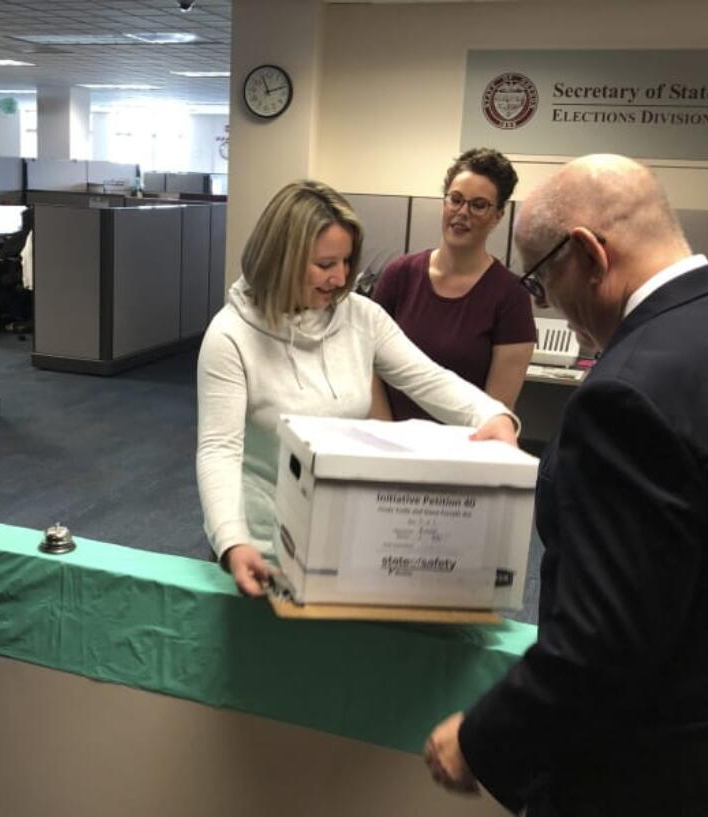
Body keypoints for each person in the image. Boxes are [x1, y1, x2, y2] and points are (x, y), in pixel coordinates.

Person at [423, 155, 708, 815]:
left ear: (587, 253)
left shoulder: (627, 396)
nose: (551, 306)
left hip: (673, 775)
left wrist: (482, 738)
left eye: (543, 282)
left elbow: (603, 642)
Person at [196, 180, 519, 596]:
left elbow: (428, 377)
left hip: (340, 539)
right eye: (325, 264)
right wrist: (231, 540)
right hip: (261, 545)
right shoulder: (230, 335)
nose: (341, 277)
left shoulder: (361, 317)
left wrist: (491, 413)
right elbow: (219, 449)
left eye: (346, 261)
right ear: (281, 259)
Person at [372, 148, 535, 417]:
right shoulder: (399, 276)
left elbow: (498, 408)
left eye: (479, 205)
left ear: (498, 216)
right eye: (455, 199)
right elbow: (369, 368)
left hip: (461, 450)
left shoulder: (510, 296)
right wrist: (383, 435)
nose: (462, 212)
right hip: (387, 443)